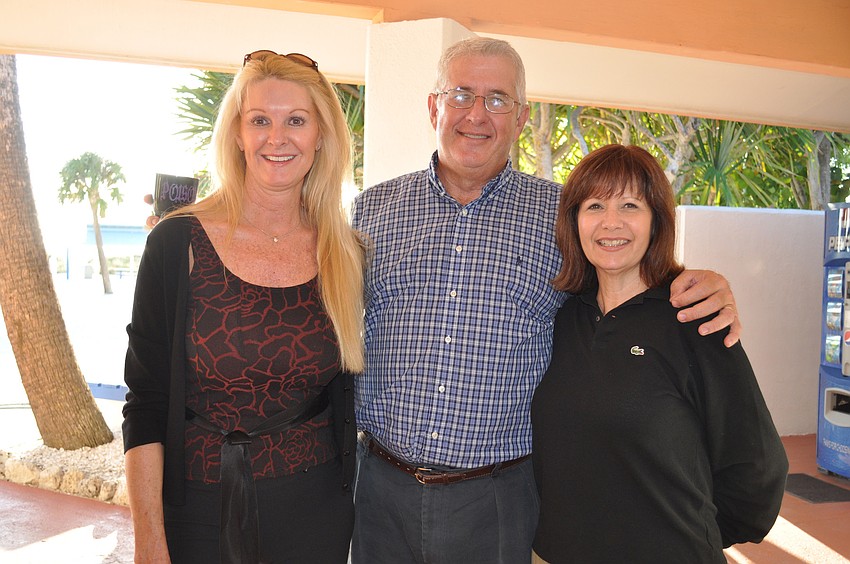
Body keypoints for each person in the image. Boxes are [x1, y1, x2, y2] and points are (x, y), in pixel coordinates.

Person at [349, 37, 742, 563]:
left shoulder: (560, 216)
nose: (476, 115)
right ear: (433, 106)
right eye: (461, 95)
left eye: (497, 100)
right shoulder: (372, 210)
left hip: (497, 496)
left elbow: (628, 278)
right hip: (379, 488)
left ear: (520, 116)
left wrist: (696, 281)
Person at [122, 50, 365, 564]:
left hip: (316, 510)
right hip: (197, 506)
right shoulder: (177, 242)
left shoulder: (345, 251)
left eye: (296, 120)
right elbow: (145, 402)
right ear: (237, 133)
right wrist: (149, 540)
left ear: (321, 135)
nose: (277, 138)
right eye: (260, 120)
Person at [531, 144, 787, 563]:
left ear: (656, 221)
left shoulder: (694, 320)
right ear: (574, 221)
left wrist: (695, 534)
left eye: (630, 205)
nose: (610, 223)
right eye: (594, 205)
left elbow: (757, 463)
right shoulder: (561, 318)